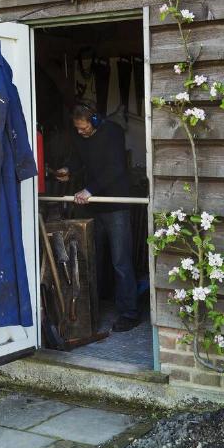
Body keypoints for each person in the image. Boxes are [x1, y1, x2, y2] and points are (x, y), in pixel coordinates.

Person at [53, 103, 140, 332]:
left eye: (83, 128)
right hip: (94, 208)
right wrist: (68, 170)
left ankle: (129, 313)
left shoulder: (112, 132)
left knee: (121, 262)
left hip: (116, 206)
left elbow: (115, 169)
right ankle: (92, 308)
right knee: (92, 259)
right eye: (77, 129)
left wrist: (89, 190)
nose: (80, 132)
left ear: (94, 121)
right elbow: (79, 160)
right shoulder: (80, 136)